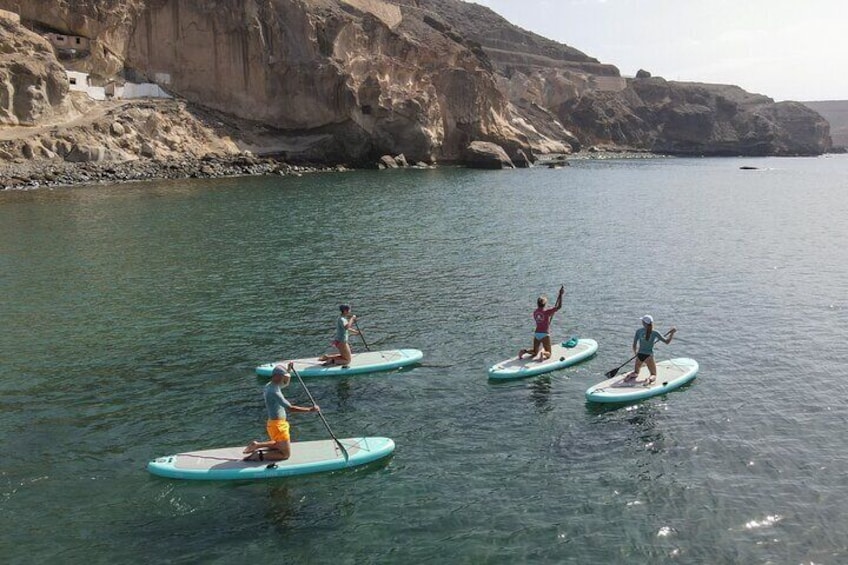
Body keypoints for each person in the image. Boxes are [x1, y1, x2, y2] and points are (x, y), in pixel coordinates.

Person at [243, 362, 320, 462]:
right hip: (278, 426)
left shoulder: (270, 385)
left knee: (279, 445)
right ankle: (257, 456)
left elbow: (286, 383)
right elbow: (290, 408)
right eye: (283, 376)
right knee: (285, 455)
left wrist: (289, 370)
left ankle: (257, 445)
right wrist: (310, 410)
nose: (284, 379)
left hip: (273, 424)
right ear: (276, 376)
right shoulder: (274, 391)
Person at [624, 315, 677, 384]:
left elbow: (634, 345)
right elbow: (667, 342)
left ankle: (630, 375)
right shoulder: (655, 333)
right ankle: (648, 380)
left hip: (639, 355)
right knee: (653, 374)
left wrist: (636, 354)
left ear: (644, 323)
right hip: (649, 356)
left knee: (636, 372)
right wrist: (672, 333)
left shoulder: (638, 331)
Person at [518, 285, 565, 362]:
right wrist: (560, 295)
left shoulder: (535, 312)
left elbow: (541, 319)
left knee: (534, 352)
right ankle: (543, 354)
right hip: (544, 334)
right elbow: (559, 306)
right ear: (545, 304)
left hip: (537, 334)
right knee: (549, 353)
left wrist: (549, 316)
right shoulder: (547, 312)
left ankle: (524, 351)